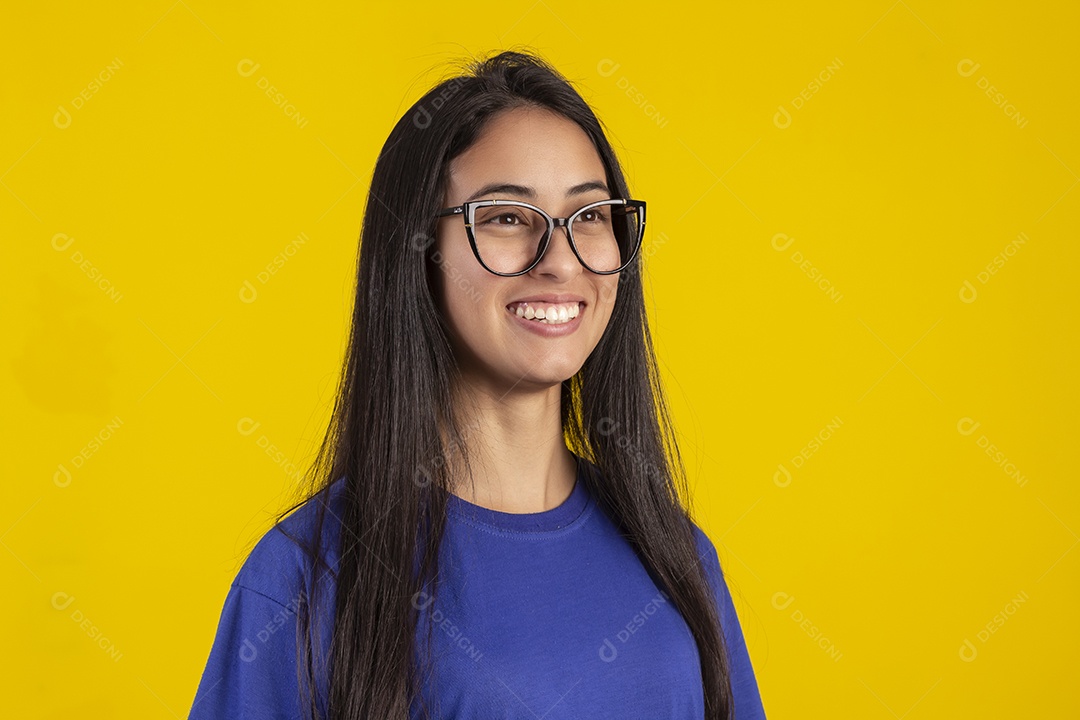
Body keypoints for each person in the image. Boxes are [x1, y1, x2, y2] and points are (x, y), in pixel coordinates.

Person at [188, 48, 767, 720]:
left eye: (589, 217)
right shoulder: (304, 577)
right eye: (506, 218)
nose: (559, 262)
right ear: (419, 253)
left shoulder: (677, 556)